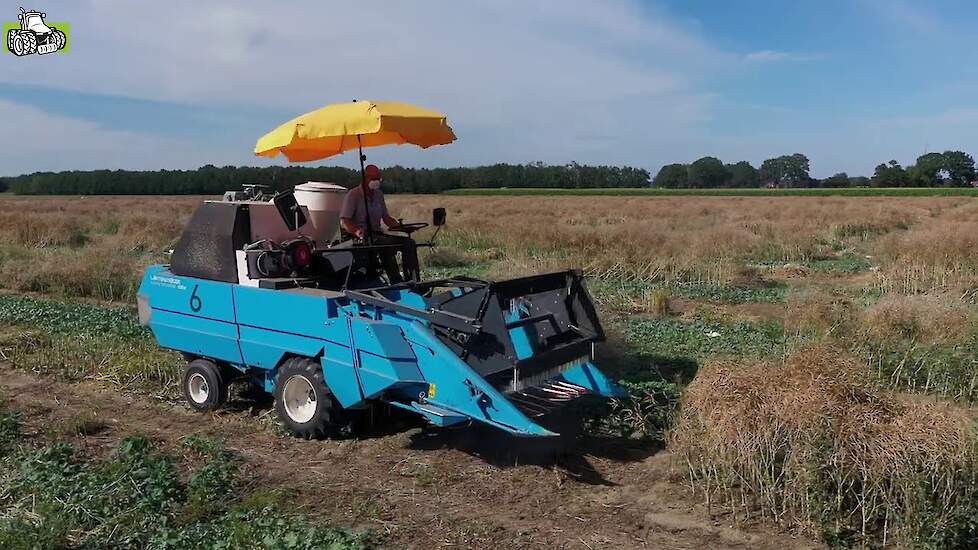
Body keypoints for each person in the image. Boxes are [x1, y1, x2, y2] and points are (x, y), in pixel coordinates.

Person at [339, 164, 420, 282]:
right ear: (365, 178)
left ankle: (413, 280)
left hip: (377, 233)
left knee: (409, 243)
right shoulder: (353, 195)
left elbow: (386, 218)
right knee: (385, 244)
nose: (376, 181)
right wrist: (357, 231)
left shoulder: (378, 194)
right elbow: (344, 220)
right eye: (373, 179)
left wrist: (402, 228)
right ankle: (396, 280)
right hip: (361, 236)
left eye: (378, 179)